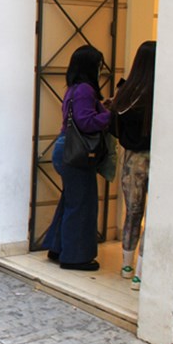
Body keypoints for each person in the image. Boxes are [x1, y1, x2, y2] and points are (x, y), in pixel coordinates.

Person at [43, 45, 111, 271]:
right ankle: (75, 257)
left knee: (71, 200)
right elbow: (86, 122)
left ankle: (58, 247)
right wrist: (110, 117)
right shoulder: (85, 90)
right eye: (98, 65)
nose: (101, 70)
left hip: (66, 149)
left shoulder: (74, 89)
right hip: (76, 153)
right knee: (82, 204)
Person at [111, 41, 156, 290]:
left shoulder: (127, 94)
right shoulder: (159, 93)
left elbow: (114, 126)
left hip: (131, 160)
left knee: (133, 213)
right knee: (153, 217)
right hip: (157, 158)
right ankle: (141, 272)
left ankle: (126, 266)